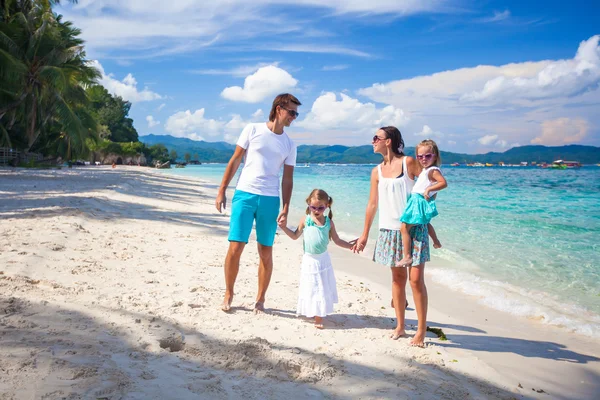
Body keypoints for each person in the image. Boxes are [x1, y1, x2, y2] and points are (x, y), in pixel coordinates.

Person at [215, 93, 301, 314]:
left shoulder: (290, 144)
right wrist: (222, 189)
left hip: (270, 200)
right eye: (291, 112)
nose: (294, 117)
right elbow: (235, 160)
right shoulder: (252, 129)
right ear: (278, 108)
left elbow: (288, 177)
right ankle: (228, 292)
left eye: (296, 114)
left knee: (265, 250)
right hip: (244, 194)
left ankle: (260, 299)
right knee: (236, 247)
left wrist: (286, 206)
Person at [351, 126, 431, 347]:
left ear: (388, 141)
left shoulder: (408, 163)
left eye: (376, 137)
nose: (372, 141)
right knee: (397, 280)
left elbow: (428, 182)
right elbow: (372, 203)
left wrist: (424, 207)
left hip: (413, 230)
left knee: (415, 281)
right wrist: (365, 234)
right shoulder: (376, 171)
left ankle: (421, 331)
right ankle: (400, 325)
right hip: (388, 230)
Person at [278, 189, 353, 329]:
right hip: (309, 260)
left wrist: (350, 246)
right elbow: (295, 236)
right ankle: (313, 311)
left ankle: (319, 317)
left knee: (321, 287)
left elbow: (337, 240)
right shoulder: (306, 220)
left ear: (327, 206)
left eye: (321, 207)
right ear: (308, 204)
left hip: (322, 260)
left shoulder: (328, 223)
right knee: (311, 287)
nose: (317, 210)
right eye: (313, 207)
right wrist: (283, 227)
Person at [398, 140, 447, 267]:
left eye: (428, 156)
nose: (423, 159)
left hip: (418, 201)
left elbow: (443, 183)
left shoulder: (433, 170)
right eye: (420, 156)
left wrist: (429, 190)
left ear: (435, 156)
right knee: (425, 223)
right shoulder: (426, 170)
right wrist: (430, 192)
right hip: (417, 200)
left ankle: (407, 256)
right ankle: (436, 241)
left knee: (404, 228)